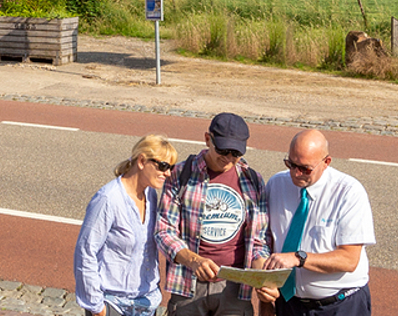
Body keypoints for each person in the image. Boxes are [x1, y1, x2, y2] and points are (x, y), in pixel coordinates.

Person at [156, 113, 269, 316]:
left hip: (235, 288)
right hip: (187, 285)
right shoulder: (181, 174)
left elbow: (258, 241)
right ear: (208, 139)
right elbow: (164, 232)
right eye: (222, 150)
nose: (228, 158)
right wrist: (194, 261)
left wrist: (261, 274)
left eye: (235, 153)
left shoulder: (253, 180)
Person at [253, 129, 375, 316]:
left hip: (340, 305)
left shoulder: (349, 192)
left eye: (305, 169)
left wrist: (298, 258)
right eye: (290, 164)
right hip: (289, 304)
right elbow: (264, 244)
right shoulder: (276, 185)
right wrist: (266, 302)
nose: (295, 173)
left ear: (326, 162)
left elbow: (349, 259)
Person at [73, 134, 179, 316]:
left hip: (147, 302)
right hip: (114, 304)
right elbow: (86, 252)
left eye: (171, 167)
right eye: (163, 166)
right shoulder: (108, 199)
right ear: (142, 161)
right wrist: (97, 308)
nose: (167, 173)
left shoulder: (151, 195)